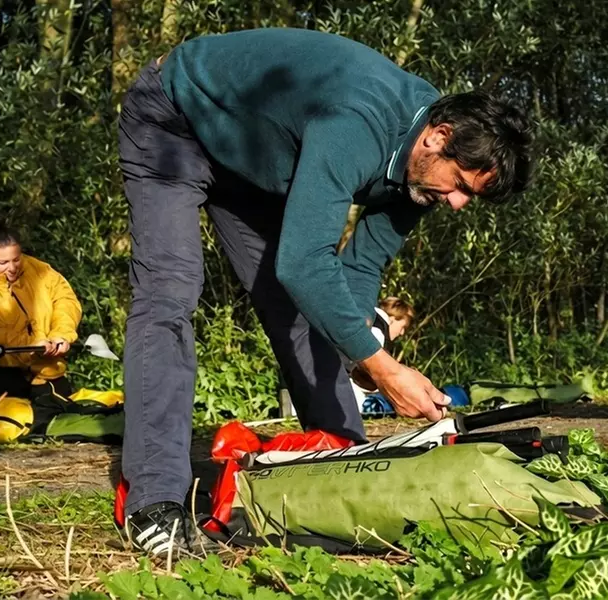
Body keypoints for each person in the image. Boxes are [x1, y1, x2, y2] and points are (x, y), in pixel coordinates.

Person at [116, 27, 533, 555]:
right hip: (175, 121)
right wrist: (383, 369)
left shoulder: (421, 176)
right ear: (437, 136)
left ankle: (346, 459)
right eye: (460, 186)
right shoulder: (357, 123)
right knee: (170, 294)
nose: (455, 205)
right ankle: (155, 504)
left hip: (254, 161)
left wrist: (362, 353)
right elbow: (303, 262)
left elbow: (358, 270)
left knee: (299, 308)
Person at [0, 219, 123, 443]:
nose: (12, 267)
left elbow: (65, 300)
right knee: (25, 408)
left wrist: (61, 334)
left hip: (45, 369)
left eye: (16, 259)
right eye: (3, 262)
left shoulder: (39, 271)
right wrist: (34, 343)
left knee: (60, 406)